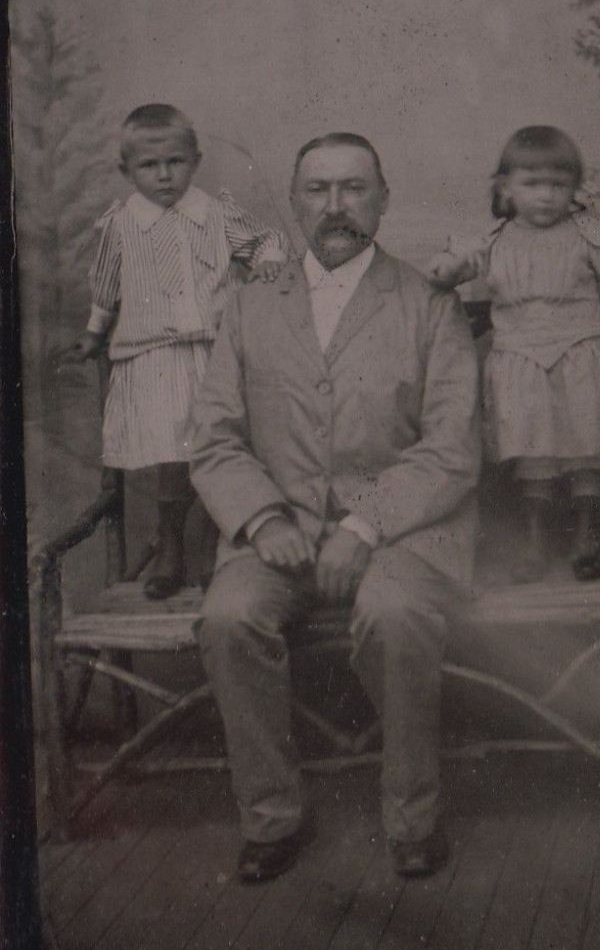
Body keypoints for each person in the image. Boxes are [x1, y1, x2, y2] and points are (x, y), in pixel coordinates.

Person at [190, 132, 481, 882]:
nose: (336, 206)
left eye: (354, 188)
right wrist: (262, 519)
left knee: (393, 614)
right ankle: (270, 817)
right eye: (317, 190)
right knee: (229, 618)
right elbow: (214, 438)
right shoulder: (250, 308)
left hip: (400, 533)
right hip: (278, 531)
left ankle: (414, 816)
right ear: (293, 204)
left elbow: (451, 448)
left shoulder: (429, 307)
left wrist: (364, 524)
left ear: (383, 199)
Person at [66, 104, 288, 599]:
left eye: (176, 162)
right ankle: (170, 547)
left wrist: (269, 260)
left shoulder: (215, 212)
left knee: (219, 449)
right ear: (126, 171)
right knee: (174, 454)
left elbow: (267, 240)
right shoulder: (120, 226)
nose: (164, 176)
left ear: (195, 160)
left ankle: (212, 550)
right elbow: (105, 288)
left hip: (213, 354)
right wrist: (94, 332)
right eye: (149, 166)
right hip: (155, 360)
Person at [428, 125, 600, 583]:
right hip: (519, 364)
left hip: (580, 359)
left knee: (585, 451)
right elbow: (440, 276)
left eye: (558, 185)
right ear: (506, 188)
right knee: (532, 457)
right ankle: (535, 540)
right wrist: (457, 267)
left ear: (574, 189)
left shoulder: (586, 233)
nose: (546, 196)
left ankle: (586, 535)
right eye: (532, 184)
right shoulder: (491, 239)